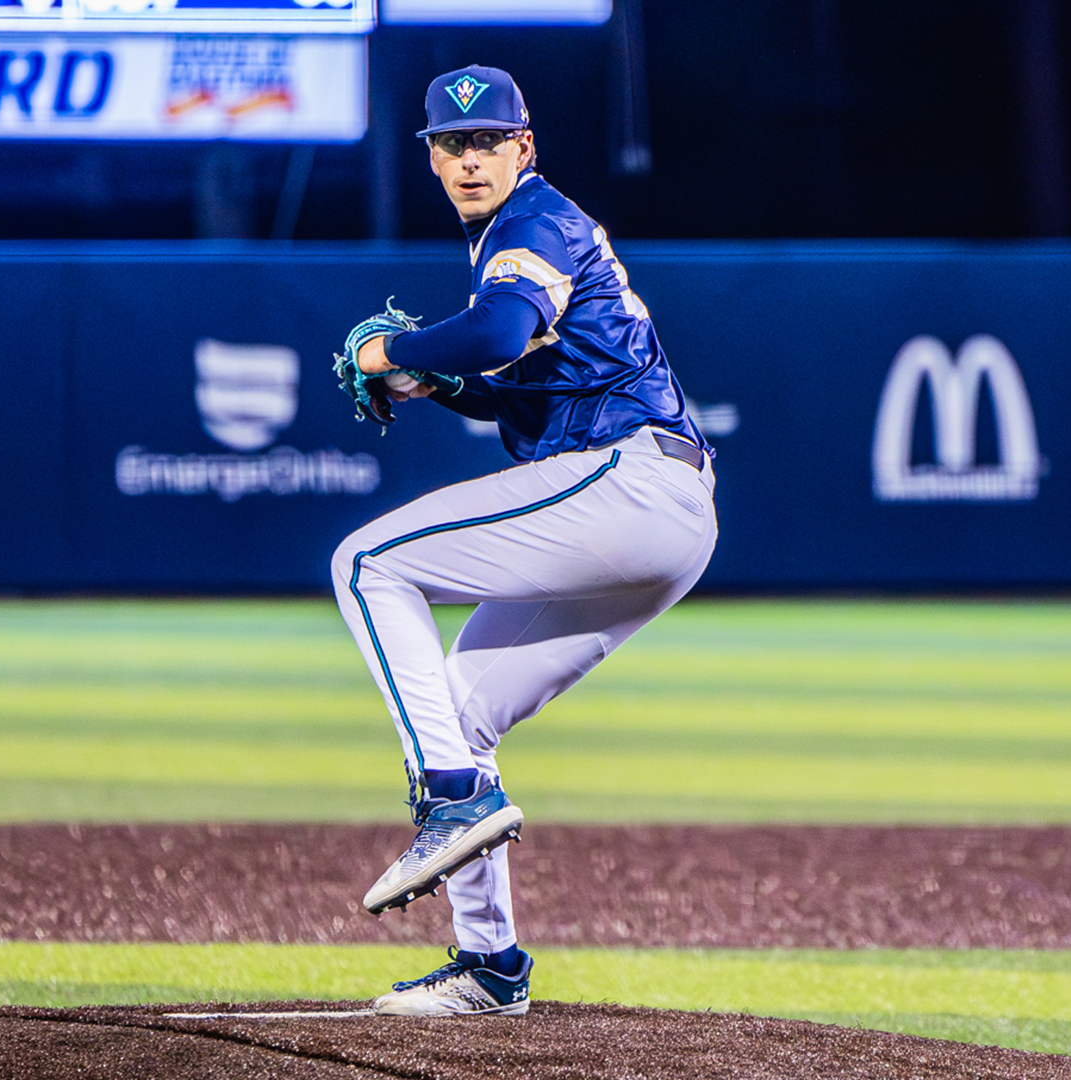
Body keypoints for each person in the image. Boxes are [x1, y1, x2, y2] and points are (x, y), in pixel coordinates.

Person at [329, 64, 717, 1017]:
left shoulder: (535, 221)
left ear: (524, 147)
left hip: (629, 481)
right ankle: (490, 967)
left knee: (367, 562)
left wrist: (393, 355)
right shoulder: (516, 232)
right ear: (430, 158)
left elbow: (498, 330)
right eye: (450, 145)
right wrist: (436, 383)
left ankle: (448, 796)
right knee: (461, 704)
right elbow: (518, 384)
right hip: (652, 507)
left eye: (488, 140)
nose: (469, 158)